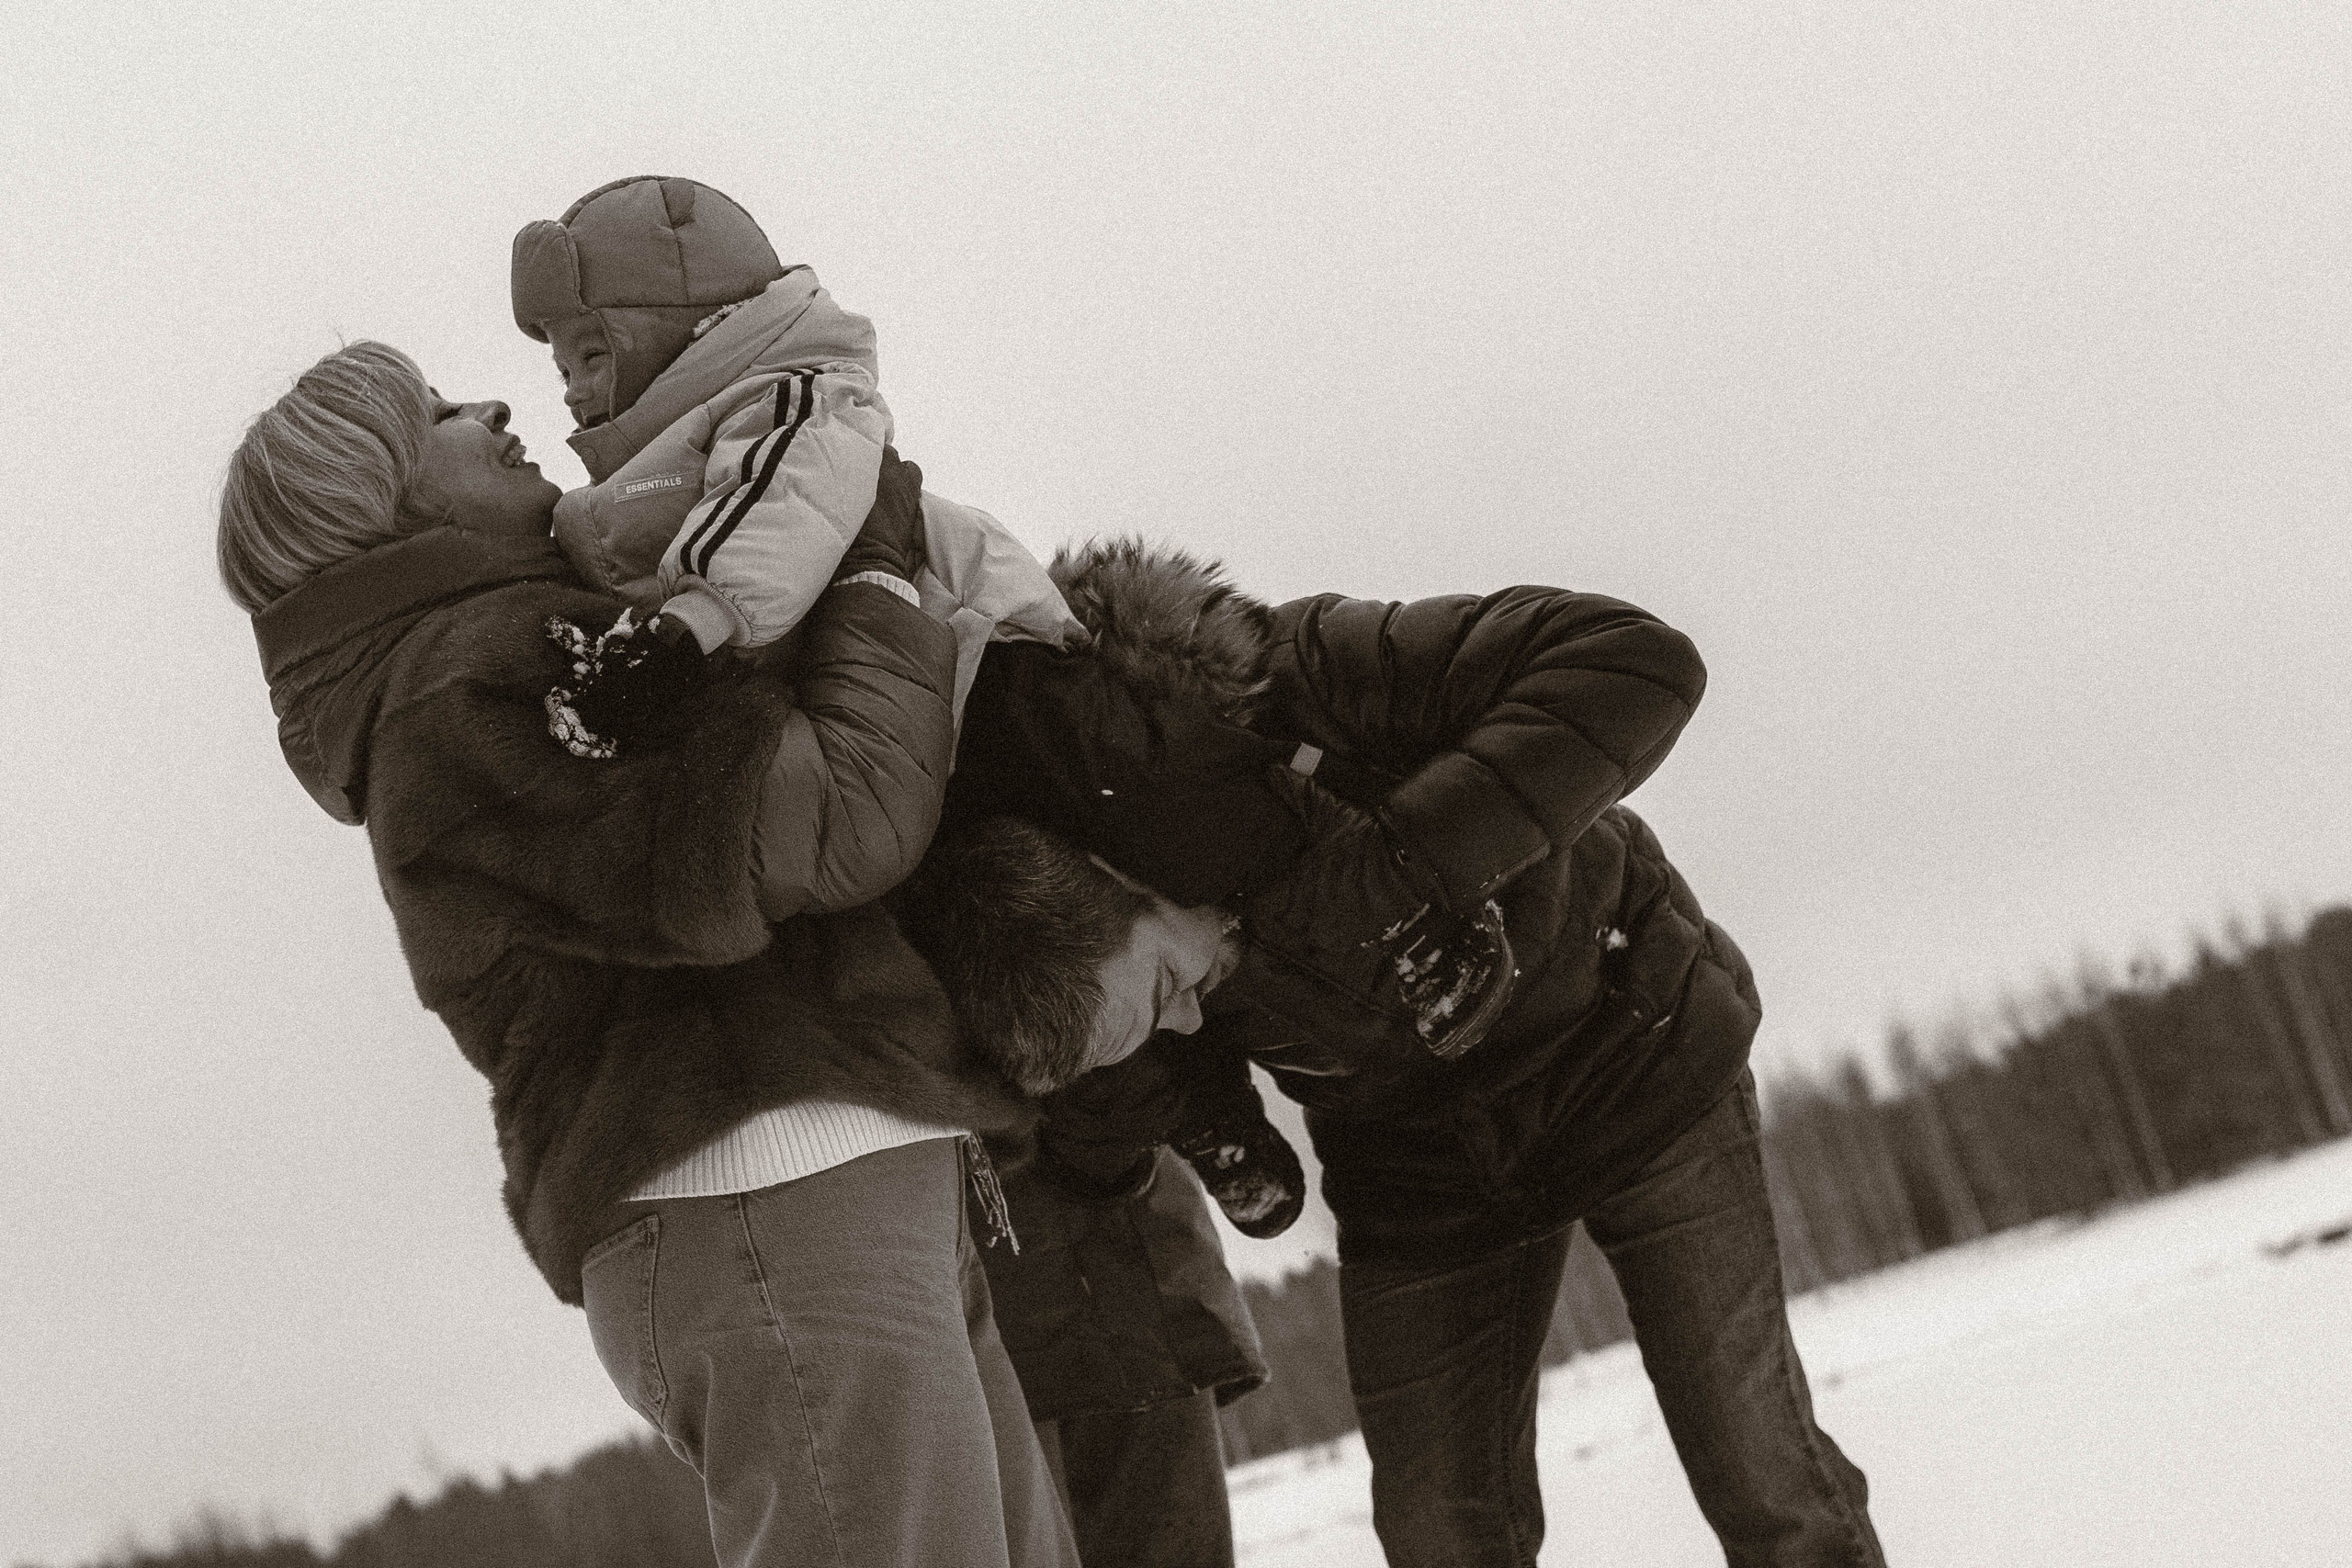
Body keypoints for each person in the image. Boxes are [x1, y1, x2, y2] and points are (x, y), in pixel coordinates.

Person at [220, 340, 1078, 1568]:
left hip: (825, 1189)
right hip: (771, 1197)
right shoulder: (474, 685)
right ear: (381, 495)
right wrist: (873, 567)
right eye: (439, 411)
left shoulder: (528, 643)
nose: (493, 404)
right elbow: (834, 817)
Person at [908, 538, 1889, 1568]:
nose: (1187, 1018)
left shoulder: (1292, 687)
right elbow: (1126, 1064)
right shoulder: (1048, 923)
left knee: (1762, 1477)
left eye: (1162, 993)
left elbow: (1635, 659)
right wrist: (1211, 1122)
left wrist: (1402, 873)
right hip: (1413, 1160)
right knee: (1438, 1535)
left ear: (1123, 873)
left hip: (1627, 1047)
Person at [508, 174, 1078, 753]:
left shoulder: (800, 399)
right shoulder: (653, 469)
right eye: (564, 370)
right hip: (881, 696)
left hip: (986, 655)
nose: (573, 391)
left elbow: (786, 498)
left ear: (684, 334)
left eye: (594, 353)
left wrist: (692, 624)